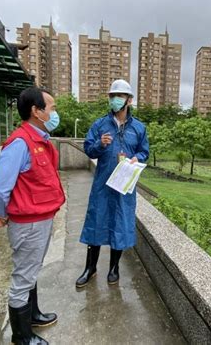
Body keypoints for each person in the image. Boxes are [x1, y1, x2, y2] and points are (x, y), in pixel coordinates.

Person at [0, 87, 65, 345]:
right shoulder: (20, 143)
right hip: (29, 223)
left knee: (31, 270)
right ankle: (21, 337)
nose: (54, 113)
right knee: (22, 278)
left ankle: (32, 315)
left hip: (41, 218)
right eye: (52, 108)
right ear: (36, 111)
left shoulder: (39, 139)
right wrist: (1, 215)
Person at [76, 79, 149, 288]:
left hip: (124, 185)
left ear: (129, 100)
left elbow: (145, 151)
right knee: (96, 223)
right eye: (112, 95)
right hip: (102, 184)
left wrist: (137, 158)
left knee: (120, 223)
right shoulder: (100, 125)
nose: (115, 99)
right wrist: (100, 144)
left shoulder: (139, 128)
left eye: (120, 96)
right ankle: (90, 268)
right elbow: (89, 150)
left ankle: (114, 267)